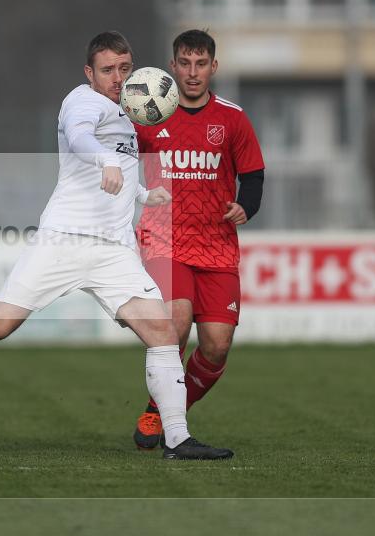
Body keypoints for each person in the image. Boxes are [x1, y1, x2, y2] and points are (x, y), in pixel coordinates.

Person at [0, 31, 233, 460]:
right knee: (0, 327)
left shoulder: (133, 109)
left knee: (164, 333)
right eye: (108, 70)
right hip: (63, 240)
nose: (118, 78)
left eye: (124, 68)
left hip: (113, 249)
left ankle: (177, 439)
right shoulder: (82, 101)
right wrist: (107, 160)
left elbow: (123, 166)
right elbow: (82, 140)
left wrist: (143, 195)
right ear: (89, 73)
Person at [132, 29, 265, 450]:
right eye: (185, 64)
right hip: (164, 239)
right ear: (172, 66)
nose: (192, 73)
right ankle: (173, 429)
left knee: (217, 347)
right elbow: (114, 160)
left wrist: (248, 206)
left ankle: (161, 411)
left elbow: (254, 175)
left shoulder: (232, 118)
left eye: (200, 64)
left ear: (213, 67)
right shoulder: (149, 116)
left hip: (217, 246)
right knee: (176, 325)